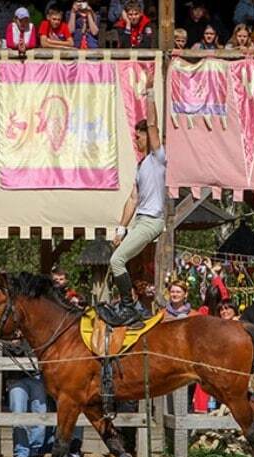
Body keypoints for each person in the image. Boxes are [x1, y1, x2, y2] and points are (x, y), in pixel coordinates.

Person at [107, 75, 164, 326]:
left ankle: (128, 308)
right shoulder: (141, 166)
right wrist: (120, 228)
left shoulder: (158, 157)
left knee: (116, 261)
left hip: (152, 221)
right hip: (140, 220)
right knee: (123, 262)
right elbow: (132, 198)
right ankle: (136, 308)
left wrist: (150, 94)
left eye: (139, 137)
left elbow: (152, 124)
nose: (137, 140)